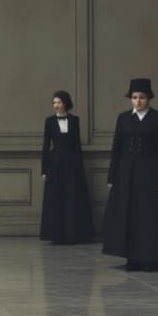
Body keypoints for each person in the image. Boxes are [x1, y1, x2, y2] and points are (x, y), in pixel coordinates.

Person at [102, 78, 158, 271]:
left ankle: (152, 258)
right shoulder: (123, 118)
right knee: (130, 216)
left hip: (151, 174)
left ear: (149, 98)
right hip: (127, 175)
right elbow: (116, 149)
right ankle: (132, 258)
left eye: (142, 97)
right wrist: (112, 176)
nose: (138, 101)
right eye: (134, 97)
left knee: (149, 217)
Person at [39, 90, 94, 244]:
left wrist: (80, 167)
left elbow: (77, 145)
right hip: (55, 163)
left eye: (59, 102)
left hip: (72, 163)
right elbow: (45, 146)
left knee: (72, 197)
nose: (56, 105)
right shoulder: (49, 121)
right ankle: (56, 235)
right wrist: (44, 169)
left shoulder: (75, 120)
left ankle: (73, 234)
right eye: (54, 102)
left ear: (66, 103)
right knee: (57, 197)